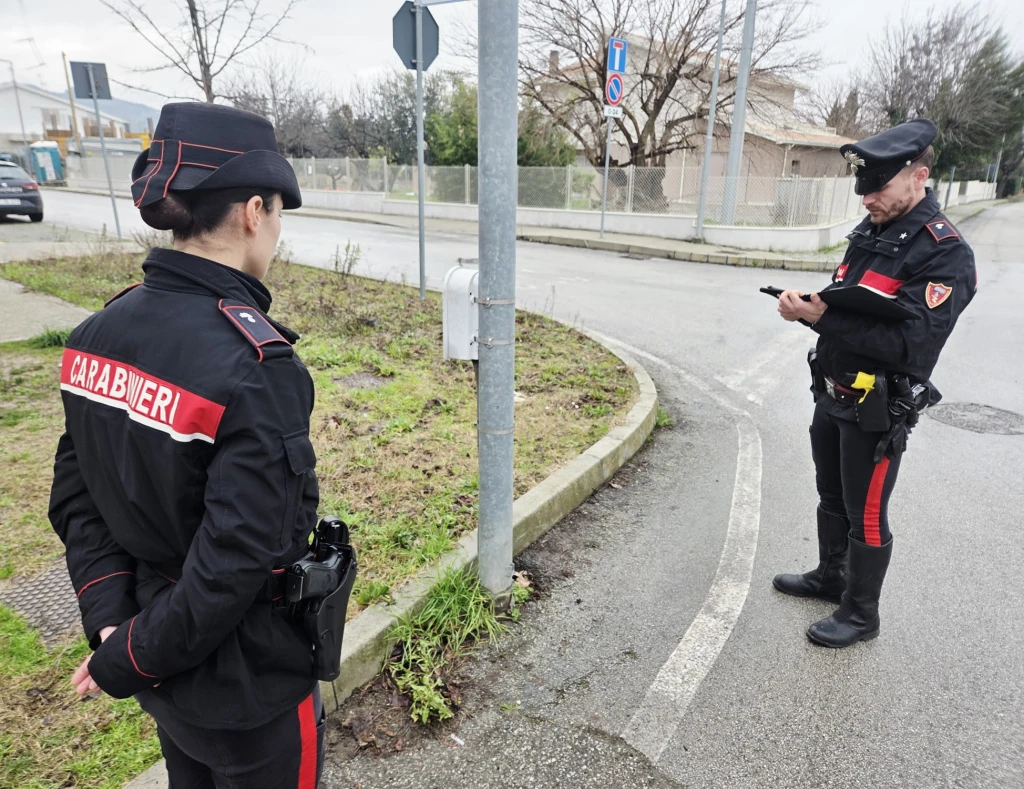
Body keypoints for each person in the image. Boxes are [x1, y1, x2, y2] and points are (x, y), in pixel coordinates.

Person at [49, 102, 329, 788]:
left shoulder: (96, 336)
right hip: (249, 690)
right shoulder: (258, 365)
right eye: (278, 214)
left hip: (159, 671)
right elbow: (235, 561)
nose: (277, 232)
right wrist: (129, 655)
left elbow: (76, 499)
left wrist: (116, 629)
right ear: (253, 212)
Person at [772, 118, 977, 648]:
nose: (867, 200)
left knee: (866, 510)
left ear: (919, 177)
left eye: (878, 188)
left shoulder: (945, 252)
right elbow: (848, 301)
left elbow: (910, 345)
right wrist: (812, 306)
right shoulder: (872, 232)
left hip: (877, 407)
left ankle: (862, 614)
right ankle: (831, 577)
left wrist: (820, 319)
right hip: (834, 391)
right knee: (830, 492)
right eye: (863, 189)